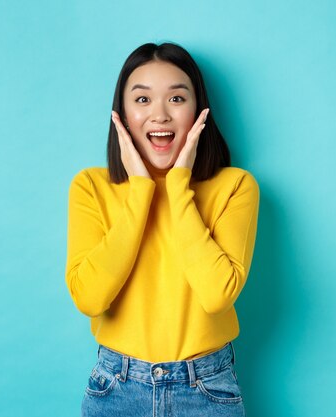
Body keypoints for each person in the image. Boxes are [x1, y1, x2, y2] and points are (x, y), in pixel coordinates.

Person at [65, 42, 259, 417]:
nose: (159, 115)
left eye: (176, 98)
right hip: (116, 387)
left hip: (206, 389)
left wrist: (178, 184)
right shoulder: (90, 187)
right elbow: (90, 298)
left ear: (199, 110)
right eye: (142, 100)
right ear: (120, 114)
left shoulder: (235, 187)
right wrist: (141, 189)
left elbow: (217, 294)